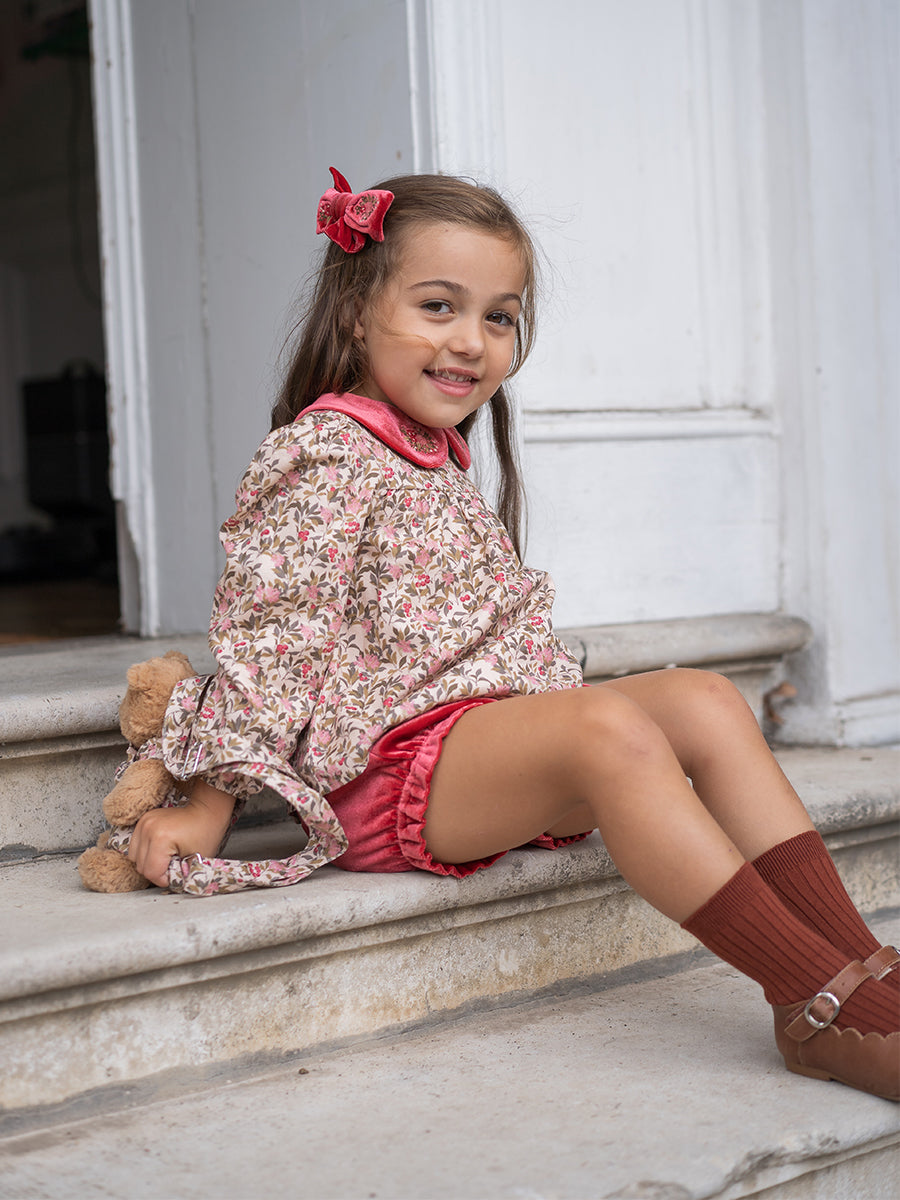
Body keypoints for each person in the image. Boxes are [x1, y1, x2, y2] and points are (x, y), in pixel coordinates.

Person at [126, 167, 898, 1100]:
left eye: (499, 317)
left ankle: (866, 974)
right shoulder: (323, 452)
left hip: (486, 751)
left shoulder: (431, 453)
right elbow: (271, 638)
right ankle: (816, 1003)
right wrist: (210, 802)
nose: (471, 341)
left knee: (703, 698)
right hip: (394, 777)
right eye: (439, 306)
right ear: (357, 313)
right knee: (604, 729)